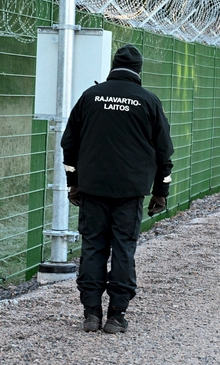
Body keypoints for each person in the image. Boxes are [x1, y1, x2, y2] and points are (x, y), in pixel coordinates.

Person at [61, 44, 173, 334]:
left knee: (93, 247)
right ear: (139, 70)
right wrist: (161, 190)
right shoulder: (148, 101)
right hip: (130, 191)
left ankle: (91, 314)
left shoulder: (90, 97)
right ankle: (116, 315)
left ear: (113, 66)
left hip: (93, 188)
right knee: (124, 248)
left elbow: (69, 144)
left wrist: (73, 183)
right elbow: (164, 152)